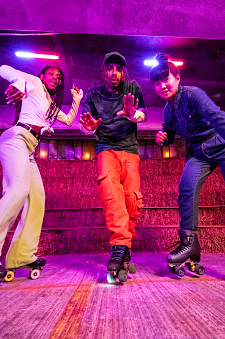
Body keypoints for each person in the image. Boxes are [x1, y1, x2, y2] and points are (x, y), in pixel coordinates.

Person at [0, 64, 83, 291]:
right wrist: (20, 85)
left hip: (28, 148)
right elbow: (2, 69)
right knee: (18, 191)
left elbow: (70, 121)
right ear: (41, 76)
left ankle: (21, 255)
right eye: (51, 74)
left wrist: (77, 99)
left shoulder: (50, 104)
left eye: (59, 76)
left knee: (37, 198)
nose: (55, 77)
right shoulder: (31, 82)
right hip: (15, 139)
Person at [151, 54, 225, 287]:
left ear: (177, 77)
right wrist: (163, 138)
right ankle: (190, 243)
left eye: (166, 79)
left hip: (224, 143)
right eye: (156, 83)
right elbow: (169, 132)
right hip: (199, 152)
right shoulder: (167, 110)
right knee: (186, 188)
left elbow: (217, 115)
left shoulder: (193, 94)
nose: (162, 86)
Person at [79, 52, 147, 282]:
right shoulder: (93, 93)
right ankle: (119, 245)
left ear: (123, 72)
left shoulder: (133, 88)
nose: (114, 72)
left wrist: (133, 115)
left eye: (118, 68)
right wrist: (88, 128)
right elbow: (84, 124)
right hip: (105, 147)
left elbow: (144, 115)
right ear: (104, 71)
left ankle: (126, 246)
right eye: (110, 68)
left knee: (132, 200)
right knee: (110, 192)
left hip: (130, 148)